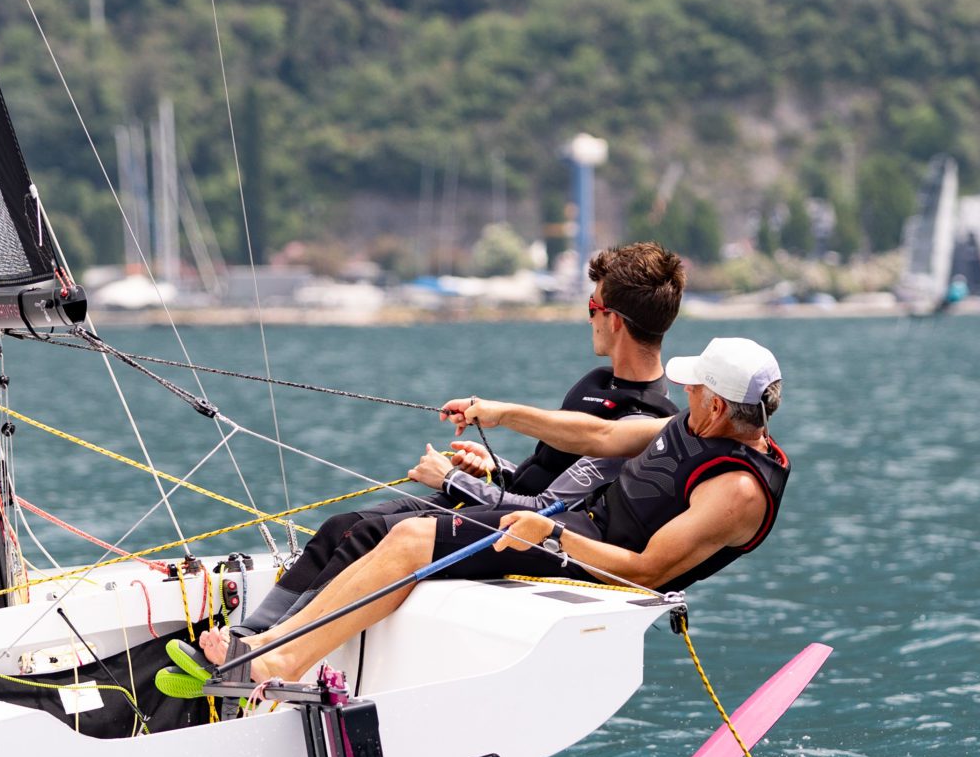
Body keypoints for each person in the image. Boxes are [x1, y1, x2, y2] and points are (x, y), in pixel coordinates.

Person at [177, 336, 789, 691]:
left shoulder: (737, 490)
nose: (682, 395)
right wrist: (501, 412)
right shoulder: (698, 424)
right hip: (576, 527)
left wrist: (550, 532)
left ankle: (278, 660)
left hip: (599, 562)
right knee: (382, 531)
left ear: (715, 405)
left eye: (692, 390)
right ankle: (265, 644)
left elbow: (649, 570)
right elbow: (600, 437)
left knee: (415, 539)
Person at [225, 242, 685, 636]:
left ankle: (272, 643)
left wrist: (450, 479)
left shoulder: (644, 420)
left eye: (592, 308)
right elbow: (543, 474)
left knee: (365, 532)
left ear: (616, 320)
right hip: (492, 504)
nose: (589, 320)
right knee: (340, 526)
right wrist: (493, 467)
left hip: (520, 534)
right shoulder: (596, 382)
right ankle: (249, 634)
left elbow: (545, 509)